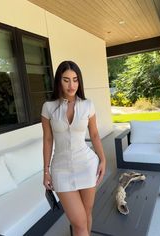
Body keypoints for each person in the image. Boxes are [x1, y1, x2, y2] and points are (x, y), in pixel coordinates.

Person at [41, 60, 106, 236]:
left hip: (87, 165)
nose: (72, 85)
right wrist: (46, 170)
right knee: (78, 222)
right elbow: (47, 140)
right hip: (61, 170)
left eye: (75, 79)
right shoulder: (49, 108)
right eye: (66, 80)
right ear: (58, 82)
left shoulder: (87, 105)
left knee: (86, 215)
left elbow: (94, 135)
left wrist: (103, 159)